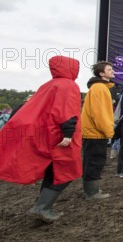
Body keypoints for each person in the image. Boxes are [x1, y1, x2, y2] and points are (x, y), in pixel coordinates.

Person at [0, 56, 82, 223]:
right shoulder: (68, 86)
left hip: (47, 135)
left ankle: (43, 206)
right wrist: (68, 134)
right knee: (66, 172)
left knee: (53, 172)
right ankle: (42, 207)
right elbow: (66, 112)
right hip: (59, 137)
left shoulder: (48, 85)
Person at [81, 61, 115, 200]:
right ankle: (92, 193)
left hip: (93, 132)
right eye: (109, 69)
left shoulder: (97, 87)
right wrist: (109, 132)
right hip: (96, 133)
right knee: (95, 161)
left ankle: (91, 190)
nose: (112, 71)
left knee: (91, 161)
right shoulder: (100, 88)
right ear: (101, 73)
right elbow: (100, 113)